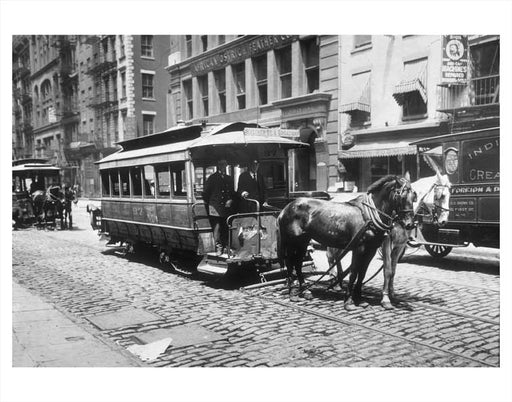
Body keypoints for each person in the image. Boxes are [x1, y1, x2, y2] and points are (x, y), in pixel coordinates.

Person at [203, 159, 236, 255]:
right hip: (215, 207)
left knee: (226, 227)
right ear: (218, 166)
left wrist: (231, 200)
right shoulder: (212, 178)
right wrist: (212, 203)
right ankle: (219, 247)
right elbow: (205, 193)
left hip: (226, 208)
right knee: (217, 228)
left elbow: (232, 192)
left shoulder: (229, 178)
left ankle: (226, 246)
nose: (223, 166)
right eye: (221, 165)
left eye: (224, 165)